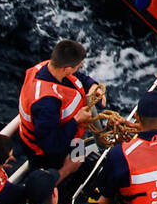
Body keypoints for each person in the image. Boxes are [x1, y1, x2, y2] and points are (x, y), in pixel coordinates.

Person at [17, 39, 100, 183]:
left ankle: (80, 167)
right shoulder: (46, 105)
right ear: (67, 69)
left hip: (73, 135)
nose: (80, 68)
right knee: (59, 177)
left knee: (81, 162)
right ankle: (65, 180)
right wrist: (77, 120)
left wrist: (92, 85)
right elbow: (51, 145)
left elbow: (77, 77)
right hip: (50, 153)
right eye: (78, 66)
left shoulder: (49, 67)